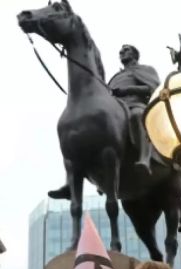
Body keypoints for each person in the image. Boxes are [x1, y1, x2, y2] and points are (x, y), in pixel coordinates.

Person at [49, 44, 160, 200]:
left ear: (135, 54)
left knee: (136, 116)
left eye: (126, 50)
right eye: (120, 51)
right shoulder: (114, 77)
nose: (121, 53)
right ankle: (73, 182)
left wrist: (127, 91)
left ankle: (144, 159)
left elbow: (153, 88)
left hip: (135, 105)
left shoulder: (146, 70)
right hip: (117, 111)